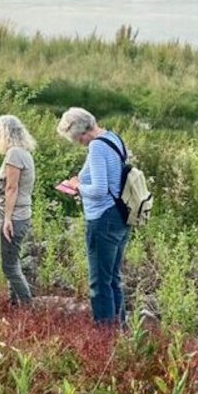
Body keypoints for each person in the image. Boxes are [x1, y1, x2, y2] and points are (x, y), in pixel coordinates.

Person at [57, 107, 129, 326]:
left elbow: (99, 189)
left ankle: (105, 334)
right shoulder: (113, 138)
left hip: (103, 218)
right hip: (120, 215)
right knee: (113, 278)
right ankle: (119, 328)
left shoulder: (96, 146)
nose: (79, 143)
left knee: (99, 282)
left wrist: (77, 187)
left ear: (82, 131)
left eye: (77, 139)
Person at [0, 115, 36, 307]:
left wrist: (7, 219)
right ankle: (14, 305)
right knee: (13, 261)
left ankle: (27, 306)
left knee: (9, 266)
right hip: (21, 214)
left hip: (14, 216)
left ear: (5, 131)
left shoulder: (14, 154)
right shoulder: (24, 153)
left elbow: (12, 188)